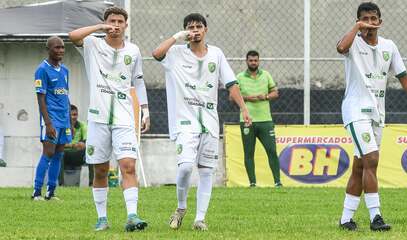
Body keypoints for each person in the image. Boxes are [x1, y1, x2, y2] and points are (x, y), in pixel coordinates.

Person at [152, 13, 251, 231]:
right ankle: (180, 207)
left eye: (198, 26)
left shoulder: (216, 53)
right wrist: (177, 36)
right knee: (186, 167)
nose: (194, 30)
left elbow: (231, 83)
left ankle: (200, 219)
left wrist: (244, 109)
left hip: (209, 121)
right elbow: (156, 54)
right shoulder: (176, 53)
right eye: (190, 27)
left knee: (207, 171)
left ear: (205, 29)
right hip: (184, 122)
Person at [336, 2, 407, 231]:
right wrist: (356, 28)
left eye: (373, 19)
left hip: (377, 113)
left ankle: (346, 219)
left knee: (360, 165)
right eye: (364, 19)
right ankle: (376, 217)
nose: (370, 23)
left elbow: (403, 76)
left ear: (380, 22)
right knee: (372, 159)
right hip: (356, 111)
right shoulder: (353, 42)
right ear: (359, 21)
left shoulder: (389, 46)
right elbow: (340, 47)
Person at [69, 7, 150, 232]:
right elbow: (72, 36)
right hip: (98, 117)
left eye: (120, 21)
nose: (115, 24)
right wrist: (98, 28)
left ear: (126, 25)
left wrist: (145, 110)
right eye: (111, 21)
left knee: (128, 165)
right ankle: (102, 218)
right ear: (105, 23)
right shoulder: (93, 44)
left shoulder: (133, 51)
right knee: (101, 170)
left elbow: (139, 82)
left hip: (124, 117)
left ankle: (132, 215)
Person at [32, 36, 72, 201]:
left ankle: (51, 192)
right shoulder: (41, 69)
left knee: (59, 154)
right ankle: (36, 192)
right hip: (51, 118)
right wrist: (48, 123)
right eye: (56, 47)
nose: (60, 50)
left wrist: (70, 120)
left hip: (64, 118)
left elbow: (66, 96)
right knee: (48, 152)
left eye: (62, 47)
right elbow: (40, 98)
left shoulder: (65, 70)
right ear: (48, 49)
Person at [236, 50, 281, 187]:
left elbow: (275, 93)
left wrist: (266, 97)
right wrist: (246, 98)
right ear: (246, 61)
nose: (253, 63)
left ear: (259, 61)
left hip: (265, 120)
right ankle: (253, 183)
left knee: (272, 151)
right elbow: (232, 97)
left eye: (255, 60)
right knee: (249, 153)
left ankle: (278, 182)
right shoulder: (239, 77)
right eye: (251, 60)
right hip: (247, 120)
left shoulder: (266, 75)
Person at [60, 104, 93, 186]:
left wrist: (83, 144)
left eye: (75, 114)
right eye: (70, 115)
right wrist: (72, 145)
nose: (73, 117)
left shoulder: (82, 125)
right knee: (59, 154)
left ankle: (92, 184)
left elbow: (86, 142)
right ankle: (61, 185)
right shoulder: (62, 126)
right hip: (65, 154)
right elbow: (58, 144)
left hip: (78, 154)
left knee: (91, 153)